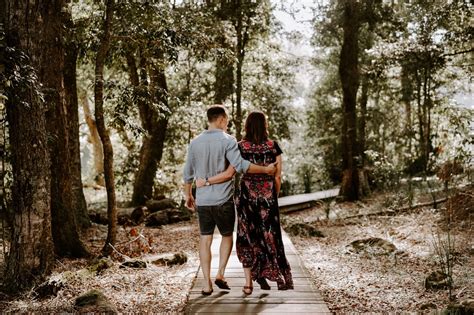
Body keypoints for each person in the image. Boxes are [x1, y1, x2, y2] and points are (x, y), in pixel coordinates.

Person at [183, 105, 277, 296]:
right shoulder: (228, 140)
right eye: (226, 120)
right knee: (227, 236)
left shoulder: (195, 143)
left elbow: (187, 174)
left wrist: (188, 195)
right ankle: (220, 273)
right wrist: (265, 170)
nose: (227, 124)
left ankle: (207, 284)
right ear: (221, 120)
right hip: (223, 200)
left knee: (205, 239)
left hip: (203, 200)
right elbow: (241, 166)